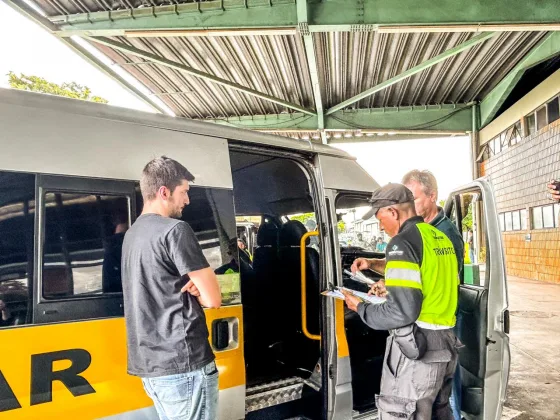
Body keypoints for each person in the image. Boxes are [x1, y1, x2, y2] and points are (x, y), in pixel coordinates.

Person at [342, 183, 460, 420]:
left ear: (393, 212)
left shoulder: (401, 243)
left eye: (379, 217)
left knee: (401, 412)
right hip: (446, 345)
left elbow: (402, 312)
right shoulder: (438, 236)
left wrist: (361, 307)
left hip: (419, 349)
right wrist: (378, 269)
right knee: (438, 412)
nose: (380, 225)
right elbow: (427, 277)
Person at [121, 156, 222, 420]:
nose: (187, 200)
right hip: (184, 360)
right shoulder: (175, 230)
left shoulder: (131, 235)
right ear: (164, 192)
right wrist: (201, 290)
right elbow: (213, 299)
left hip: (152, 364)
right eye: (184, 192)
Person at [402, 170, 464, 420]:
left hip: (440, 325)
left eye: (414, 199)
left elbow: (440, 280)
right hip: (425, 324)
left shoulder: (447, 234)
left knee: (441, 396)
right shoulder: (421, 230)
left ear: (432, 196)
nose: (410, 207)